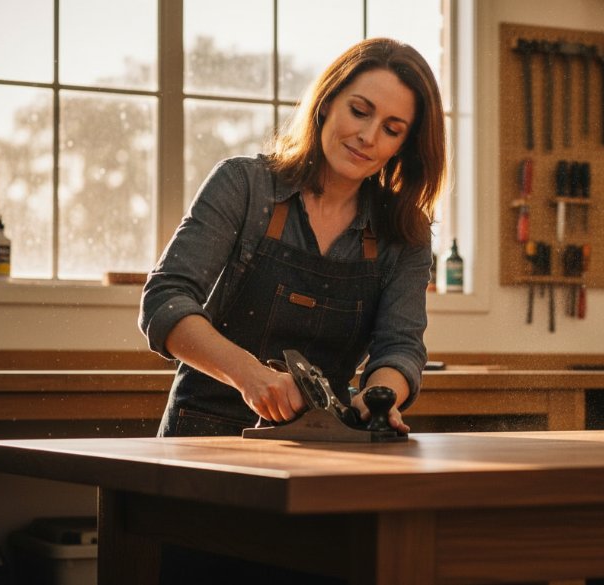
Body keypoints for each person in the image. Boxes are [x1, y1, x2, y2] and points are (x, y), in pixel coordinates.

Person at [140, 38, 446, 438]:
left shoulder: (405, 232)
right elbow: (165, 300)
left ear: (404, 146)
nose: (368, 136)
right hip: (203, 432)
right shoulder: (244, 186)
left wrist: (376, 398)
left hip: (321, 441)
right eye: (359, 111)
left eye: (391, 129)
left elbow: (400, 347)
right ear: (326, 103)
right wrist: (250, 376)